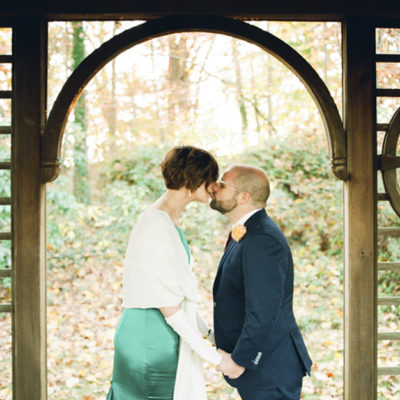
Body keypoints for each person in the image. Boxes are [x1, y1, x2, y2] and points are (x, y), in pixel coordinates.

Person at [106, 145, 222, 400]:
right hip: (150, 338)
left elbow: (180, 295)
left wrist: (212, 336)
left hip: (166, 334)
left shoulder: (169, 220)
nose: (214, 186)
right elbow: (169, 307)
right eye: (209, 178)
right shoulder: (154, 226)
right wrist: (215, 358)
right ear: (189, 181)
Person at [210, 164, 312, 400]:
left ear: (244, 196)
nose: (214, 188)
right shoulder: (248, 231)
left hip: (270, 369)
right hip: (262, 370)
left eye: (223, 184)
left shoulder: (263, 239)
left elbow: (264, 311)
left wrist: (240, 360)